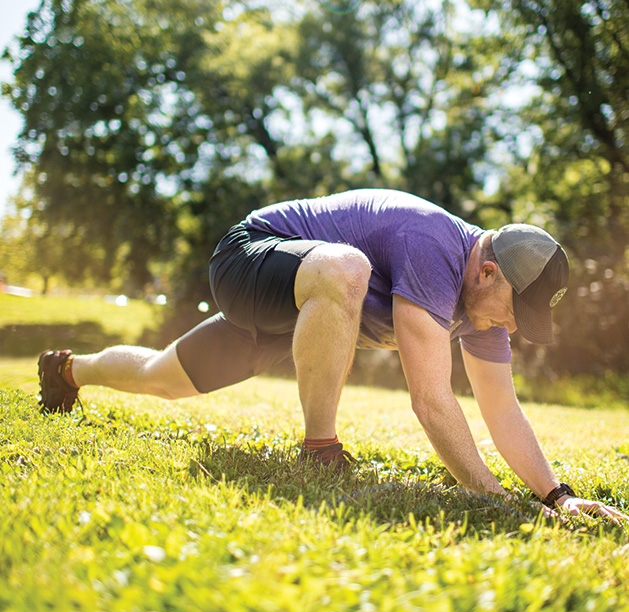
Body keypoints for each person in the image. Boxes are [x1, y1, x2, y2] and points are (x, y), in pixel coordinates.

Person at [38, 188, 627, 522]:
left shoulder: (482, 301)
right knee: (348, 268)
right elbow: (431, 398)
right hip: (251, 260)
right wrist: (496, 501)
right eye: (513, 312)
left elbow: (501, 408)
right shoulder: (436, 247)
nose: (511, 326)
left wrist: (557, 496)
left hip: (304, 309)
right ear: (490, 271)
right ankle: (320, 449)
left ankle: (67, 371)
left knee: (160, 376)